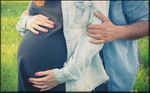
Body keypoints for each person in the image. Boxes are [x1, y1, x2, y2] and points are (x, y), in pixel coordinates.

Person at [17, 1, 149, 92]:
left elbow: (146, 22)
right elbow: (33, 10)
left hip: (104, 70)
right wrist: (27, 21)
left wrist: (117, 32)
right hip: (33, 72)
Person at [16, 1, 109, 92]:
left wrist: (66, 74)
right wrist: (27, 21)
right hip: (27, 71)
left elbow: (95, 37)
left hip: (62, 77)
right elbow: (27, 16)